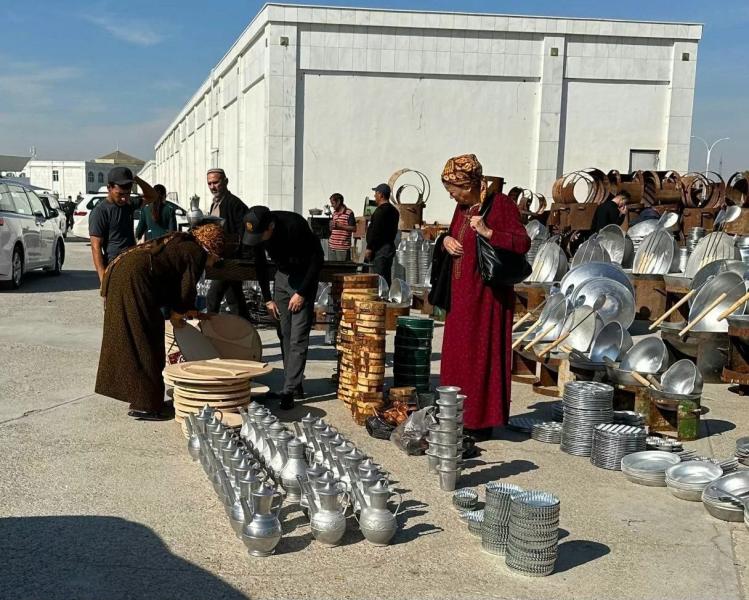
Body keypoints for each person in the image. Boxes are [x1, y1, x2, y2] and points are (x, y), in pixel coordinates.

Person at [439, 154, 531, 442]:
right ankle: (456, 415)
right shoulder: (461, 208)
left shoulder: (500, 204)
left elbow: (522, 242)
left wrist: (489, 231)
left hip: (486, 300)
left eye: (453, 188)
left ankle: (479, 421)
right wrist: (445, 240)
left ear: (468, 184)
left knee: (479, 357)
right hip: (461, 299)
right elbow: (455, 235)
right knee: (457, 358)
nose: (451, 195)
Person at [95, 223, 226, 420]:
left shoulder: (183, 241)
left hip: (122, 273)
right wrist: (178, 314)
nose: (214, 263)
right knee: (146, 339)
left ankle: (142, 399)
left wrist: (186, 311)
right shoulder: (196, 252)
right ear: (213, 248)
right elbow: (186, 288)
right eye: (217, 258)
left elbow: (173, 278)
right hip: (135, 280)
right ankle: (147, 405)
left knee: (131, 338)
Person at [243, 206, 324, 410]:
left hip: (303, 277)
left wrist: (302, 293)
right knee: (284, 333)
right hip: (281, 278)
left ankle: (289, 390)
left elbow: (317, 260)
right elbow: (260, 265)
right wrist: (268, 298)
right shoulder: (258, 231)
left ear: (270, 226)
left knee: (298, 336)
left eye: (261, 235)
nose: (259, 240)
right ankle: (294, 384)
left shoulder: (294, 226)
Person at [89, 167, 158, 283]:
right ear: (109, 188)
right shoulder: (100, 211)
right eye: (119, 194)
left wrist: (136, 179)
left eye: (127, 194)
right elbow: (95, 247)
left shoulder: (129, 204)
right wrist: (103, 280)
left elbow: (153, 196)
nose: (123, 198)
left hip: (132, 262)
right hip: (114, 266)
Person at [204, 168, 251, 319]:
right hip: (220, 258)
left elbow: (243, 232)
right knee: (234, 298)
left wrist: (239, 257)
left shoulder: (234, 203)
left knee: (213, 296)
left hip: (229, 260)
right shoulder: (215, 204)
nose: (212, 186)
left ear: (225, 182)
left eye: (215, 182)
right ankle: (246, 332)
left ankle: (210, 331)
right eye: (209, 183)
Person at [365, 183, 399, 286]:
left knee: (379, 278)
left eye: (376, 193)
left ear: (381, 195)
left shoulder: (380, 211)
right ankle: (386, 295)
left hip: (380, 248)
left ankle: (381, 298)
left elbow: (376, 231)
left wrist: (369, 247)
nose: (374, 196)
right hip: (389, 247)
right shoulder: (394, 211)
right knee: (385, 275)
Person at [328, 193, 356, 261]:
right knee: (332, 270)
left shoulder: (349, 213)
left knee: (341, 270)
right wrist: (331, 227)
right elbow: (333, 229)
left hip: (342, 248)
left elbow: (354, 228)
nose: (332, 205)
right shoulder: (334, 213)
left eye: (333, 203)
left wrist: (340, 226)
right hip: (331, 247)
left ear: (339, 201)